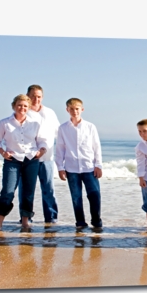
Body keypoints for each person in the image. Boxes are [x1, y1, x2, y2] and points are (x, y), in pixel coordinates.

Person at [0, 94, 50, 231]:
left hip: (31, 160)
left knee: (28, 192)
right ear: (14, 106)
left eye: (25, 106)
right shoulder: (5, 123)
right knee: (8, 191)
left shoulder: (35, 123)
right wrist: (3, 153)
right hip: (12, 160)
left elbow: (43, 140)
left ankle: (25, 222)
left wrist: (41, 151)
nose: (22, 108)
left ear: (28, 107)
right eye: (19, 105)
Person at [55, 98, 103, 231]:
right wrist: (60, 167)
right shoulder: (63, 128)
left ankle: (96, 221)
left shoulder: (90, 127)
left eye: (77, 109)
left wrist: (98, 165)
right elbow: (60, 148)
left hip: (89, 167)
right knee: (76, 197)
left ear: (82, 109)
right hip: (71, 168)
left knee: (94, 195)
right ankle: (80, 222)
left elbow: (96, 147)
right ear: (67, 110)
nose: (74, 111)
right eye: (71, 109)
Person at [16, 84, 60, 224]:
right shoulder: (23, 112)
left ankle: (51, 218)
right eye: (33, 96)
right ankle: (26, 218)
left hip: (47, 157)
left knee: (48, 189)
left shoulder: (50, 113)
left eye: (39, 96)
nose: (36, 99)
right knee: (26, 190)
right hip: (27, 158)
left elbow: (59, 134)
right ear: (27, 96)